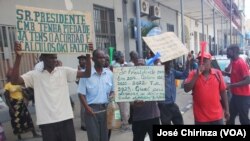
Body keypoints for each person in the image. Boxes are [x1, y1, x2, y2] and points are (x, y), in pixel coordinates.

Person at [11, 42, 92, 141]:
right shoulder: (34, 75)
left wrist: (88, 54)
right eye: (51, 58)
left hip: (66, 120)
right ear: (42, 59)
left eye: (55, 57)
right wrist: (18, 57)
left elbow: (87, 74)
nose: (54, 60)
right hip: (47, 122)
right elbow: (14, 81)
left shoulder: (63, 71)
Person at [77, 49, 114, 141]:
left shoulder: (109, 74)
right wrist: (87, 108)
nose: (102, 60)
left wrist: (112, 96)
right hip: (91, 110)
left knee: (105, 137)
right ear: (93, 59)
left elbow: (113, 90)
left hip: (106, 109)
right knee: (94, 137)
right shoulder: (86, 74)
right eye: (100, 57)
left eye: (104, 58)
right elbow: (81, 93)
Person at [184, 52, 230, 125]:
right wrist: (197, 75)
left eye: (204, 60)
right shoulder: (193, 73)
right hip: (201, 118)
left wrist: (227, 110)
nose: (202, 63)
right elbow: (186, 89)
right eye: (200, 61)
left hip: (217, 116)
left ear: (210, 61)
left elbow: (223, 92)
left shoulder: (217, 73)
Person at [4, 68, 39, 140]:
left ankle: (34, 134)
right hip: (14, 105)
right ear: (9, 76)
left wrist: (26, 99)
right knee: (17, 121)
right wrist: (10, 108)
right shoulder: (7, 85)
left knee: (28, 118)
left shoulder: (18, 83)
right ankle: (19, 137)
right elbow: (7, 98)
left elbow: (23, 92)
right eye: (12, 74)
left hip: (22, 103)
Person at [130, 58, 160, 141]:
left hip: (153, 116)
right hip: (138, 118)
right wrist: (134, 103)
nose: (140, 66)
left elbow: (159, 93)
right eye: (138, 65)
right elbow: (127, 99)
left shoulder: (153, 78)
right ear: (135, 67)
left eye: (142, 65)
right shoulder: (129, 81)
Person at [158, 54, 191, 125]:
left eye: (170, 62)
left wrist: (188, 62)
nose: (170, 64)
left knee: (179, 122)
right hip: (163, 106)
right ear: (163, 63)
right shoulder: (157, 73)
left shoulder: (172, 72)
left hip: (172, 104)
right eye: (168, 62)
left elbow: (184, 75)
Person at [226, 45, 250, 125]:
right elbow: (235, 76)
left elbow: (247, 80)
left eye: (229, 51)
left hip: (243, 97)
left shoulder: (241, 63)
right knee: (229, 117)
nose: (227, 52)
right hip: (235, 96)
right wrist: (224, 73)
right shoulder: (233, 61)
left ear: (234, 52)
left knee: (243, 120)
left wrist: (231, 86)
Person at [112, 51, 130, 130]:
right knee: (124, 110)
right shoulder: (117, 66)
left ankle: (122, 124)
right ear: (119, 58)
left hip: (119, 91)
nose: (124, 58)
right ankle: (125, 125)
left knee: (122, 109)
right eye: (123, 57)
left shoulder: (115, 65)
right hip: (121, 91)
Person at [76, 55, 87, 131]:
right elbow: (77, 81)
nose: (81, 61)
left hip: (88, 91)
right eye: (80, 60)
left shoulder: (88, 68)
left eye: (83, 60)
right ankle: (83, 125)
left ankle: (88, 122)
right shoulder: (77, 70)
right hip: (82, 91)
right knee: (83, 108)